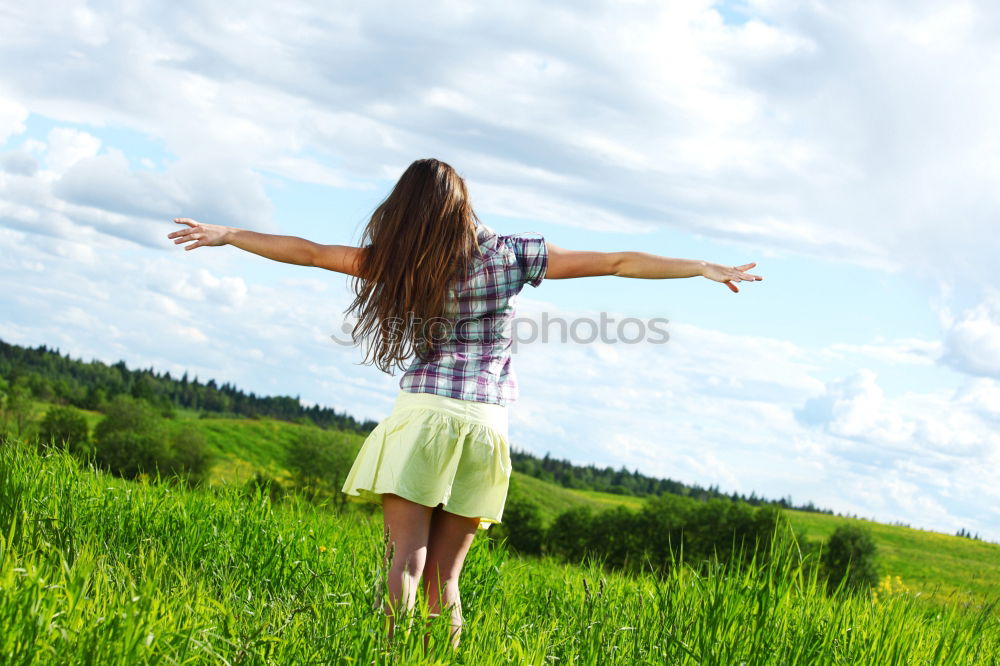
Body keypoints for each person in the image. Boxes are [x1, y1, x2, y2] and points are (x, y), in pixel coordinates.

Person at [166, 158, 762, 649]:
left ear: (403, 210)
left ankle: (387, 656)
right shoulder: (508, 255)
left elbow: (310, 251)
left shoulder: (397, 263)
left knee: (405, 559)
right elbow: (615, 262)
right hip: (484, 425)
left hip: (424, 414)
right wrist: (700, 267)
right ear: (463, 206)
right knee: (446, 578)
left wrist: (230, 235)